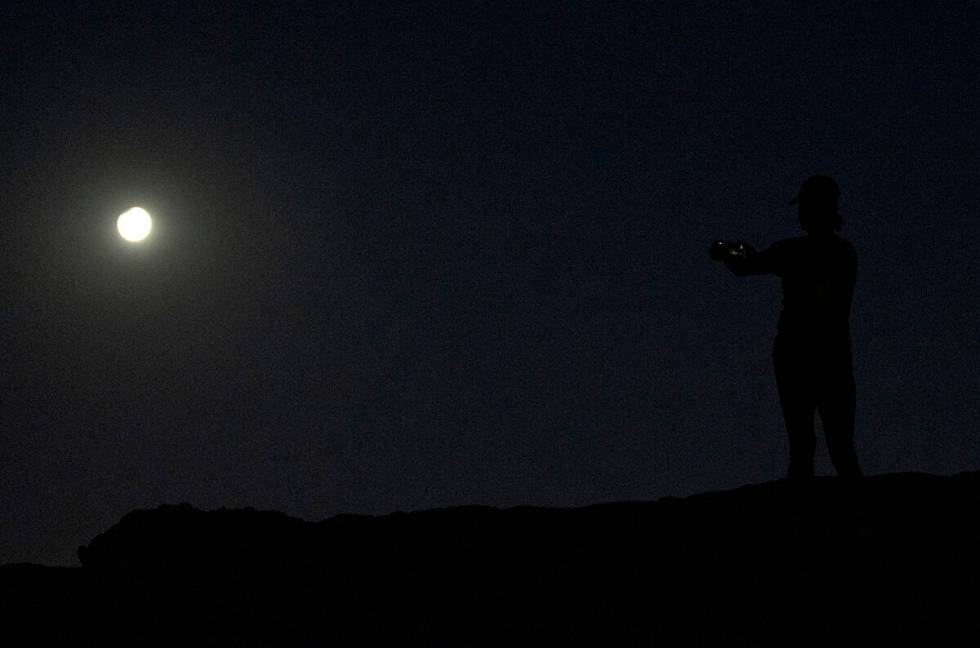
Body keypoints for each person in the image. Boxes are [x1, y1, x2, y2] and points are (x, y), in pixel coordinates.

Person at [714, 175, 864, 507]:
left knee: (802, 444)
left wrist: (727, 253)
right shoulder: (845, 253)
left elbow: (749, 266)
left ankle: (801, 519)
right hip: (834, 354)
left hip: (796, 353)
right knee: (841, 446)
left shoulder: (795, 251)